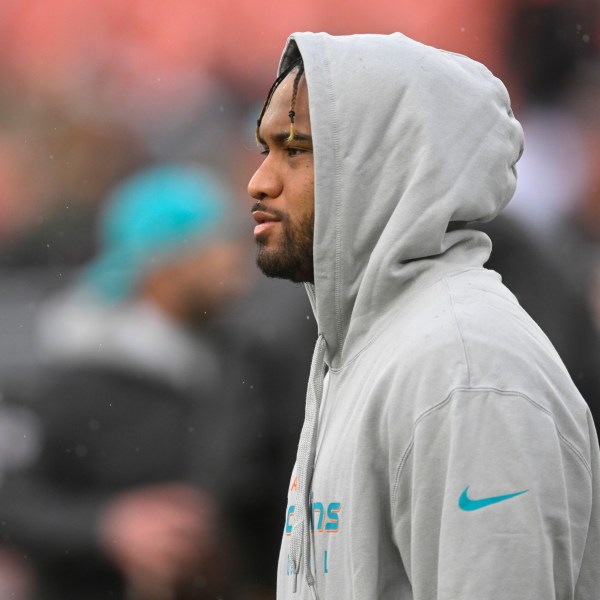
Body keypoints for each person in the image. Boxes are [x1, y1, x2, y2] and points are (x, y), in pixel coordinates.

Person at [247, 33, 600, 598]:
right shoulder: (366, 347)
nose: (259, 181)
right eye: (264, 149)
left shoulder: (469, 371)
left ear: (386, 164)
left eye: (295, 148)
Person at [0, 163, 250, 600]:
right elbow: (14, 501)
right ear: (165, 262)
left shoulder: (234, 354)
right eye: (216, 241)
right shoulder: (68, 370)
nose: (233, 256)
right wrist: (106, 524)